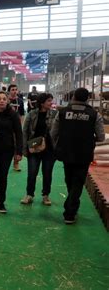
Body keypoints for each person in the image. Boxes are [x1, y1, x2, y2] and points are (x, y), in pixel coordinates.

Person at [50, 87, 105, 224]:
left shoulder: (62, 112)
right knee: (78, 182)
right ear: (87, 98)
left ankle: (70, 210)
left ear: (73, 96)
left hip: (66, 152)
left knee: (69, 180)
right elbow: (101, 137)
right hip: (84, 153)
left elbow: (53, 133)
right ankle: (71, 210)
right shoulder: (94, 114)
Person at [21, 93, 58, 206]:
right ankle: (29, 195)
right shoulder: (32, 114)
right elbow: (25, 132)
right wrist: (24, 149)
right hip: (34, 148)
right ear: (42, 103)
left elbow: (58, 132)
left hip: (49, 150)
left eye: (51, 100)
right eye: (48, 101)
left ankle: (45, 195)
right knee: (32, 173)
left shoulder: (55, 114)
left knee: (47, 174)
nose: (51, 103)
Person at [8, 84, 25, 171]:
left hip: (16, 126)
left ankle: (16, 163)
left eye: (16, 89)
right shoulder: (5, 100)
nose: (14, 91)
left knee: (17, 144)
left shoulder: (20, 101)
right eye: (12, 89)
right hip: (6, 126)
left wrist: (21, 125)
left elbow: (22, 114)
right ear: (9, 91)